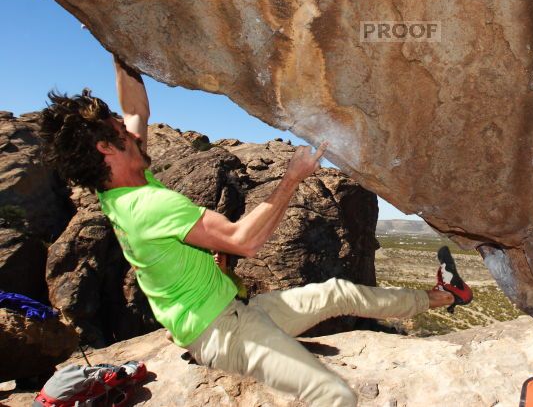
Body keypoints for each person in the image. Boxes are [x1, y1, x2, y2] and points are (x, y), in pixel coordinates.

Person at [38, 56, 473, 406]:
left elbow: (135, 109)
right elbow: (243, 241)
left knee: (339, 292)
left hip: (233, 310)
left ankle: (444, 296)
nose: (129, 129)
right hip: (217, 332)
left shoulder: (125, 183)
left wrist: (119, 50)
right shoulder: (147, 203)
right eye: (119, 131)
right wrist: (292, 178)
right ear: (105, 147)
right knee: (334, 394)